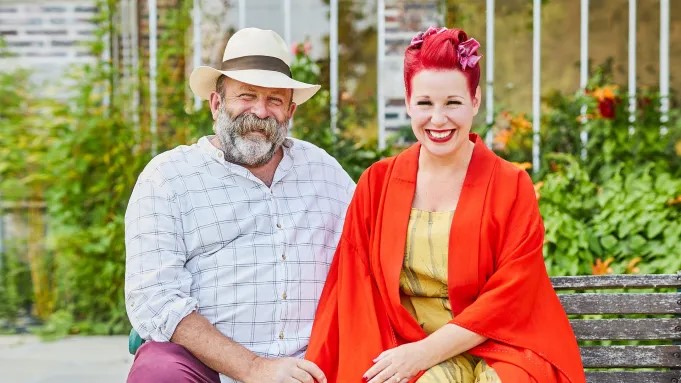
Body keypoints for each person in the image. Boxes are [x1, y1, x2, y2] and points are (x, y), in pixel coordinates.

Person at [305, 26, 586, 383]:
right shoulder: (377, 184)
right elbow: (353, 290)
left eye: (452, 102)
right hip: (410, 342)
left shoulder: (511, 185)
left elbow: (511, 294)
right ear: (408, 102)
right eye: (425, 104)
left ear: (476, 100)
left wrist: (424, 353)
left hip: (502, 343)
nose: (438, 119)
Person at [125, 27, 354, 383]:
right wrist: (254, 368)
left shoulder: (324, 171)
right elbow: (154, 298)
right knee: (159, 370)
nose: (260, 112)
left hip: (313, 366)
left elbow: (370, 252)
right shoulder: (168, 177)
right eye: (246, 96)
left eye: (275, 100)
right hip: (206, 368)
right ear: (217, 104)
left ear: (290, 111)